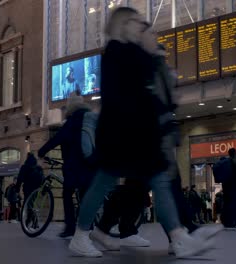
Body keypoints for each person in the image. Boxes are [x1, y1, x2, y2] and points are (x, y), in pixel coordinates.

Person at [68, 7, 215, 258]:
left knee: (157, 180)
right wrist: (152, 54)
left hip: (135, 136)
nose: (142, 26)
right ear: (124, 24)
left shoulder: (125, 52)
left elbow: (146, 89)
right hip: (122, 136)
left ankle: (179, 237)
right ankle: (83, 235)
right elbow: (131, 93)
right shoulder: (117, 52)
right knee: (107, 183)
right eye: (136, 21)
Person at [38, 92, 95, 238]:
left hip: (74, 165)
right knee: (85, 196)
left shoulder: (71, 122)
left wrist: (42, 151)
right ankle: (88, 225)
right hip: (91, 163)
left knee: (67, 194)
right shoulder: (90, 118)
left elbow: (57, 139)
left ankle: (70, 227)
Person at [221, 148, 236, 228]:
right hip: (233, 186)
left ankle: (226, 222)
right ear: (235, 153)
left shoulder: (225, 162)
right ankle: (232, 222)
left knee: (226, 203)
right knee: (233, 203)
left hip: (226, 186)